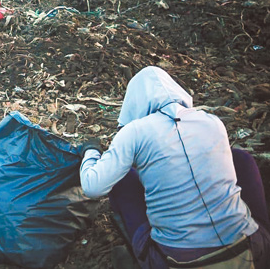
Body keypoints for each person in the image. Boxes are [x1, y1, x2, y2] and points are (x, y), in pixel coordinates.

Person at [79, 66, 269, 268]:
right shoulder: (212, 122)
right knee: (240, 158)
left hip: (179, 261)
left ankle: (141, 257)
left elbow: (92, 187)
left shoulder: (134, 132)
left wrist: (90, 151)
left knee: (122, 179)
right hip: (250, 249)